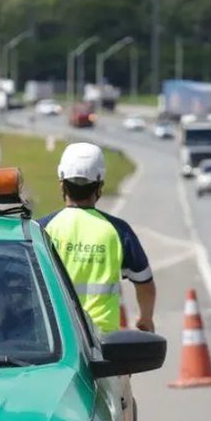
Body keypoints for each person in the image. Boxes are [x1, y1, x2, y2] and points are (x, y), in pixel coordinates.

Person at [39, 142, 156, 334]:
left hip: (55, 338)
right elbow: (145, 284)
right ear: (100, 184)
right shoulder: (118, 231)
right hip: (103, 342)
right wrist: (145, 318)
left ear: (62, 181)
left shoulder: (41, 229)